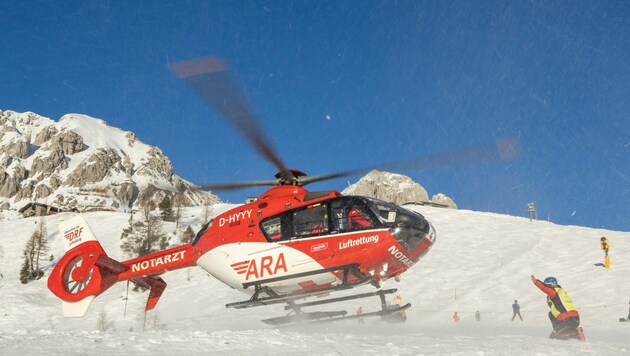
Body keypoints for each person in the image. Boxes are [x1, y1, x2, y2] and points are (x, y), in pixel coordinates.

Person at [531, 275, 584, 341]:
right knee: (552, 315)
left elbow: (545, 289)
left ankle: (567, 331)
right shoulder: (560, 292)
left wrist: (536, 282)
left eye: (548, 285)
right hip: (575, 319)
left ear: (552, 285)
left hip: (566, 319)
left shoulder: (554, 292)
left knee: (555, 337)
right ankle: (576, 333)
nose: (548, 287)